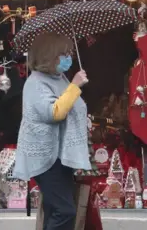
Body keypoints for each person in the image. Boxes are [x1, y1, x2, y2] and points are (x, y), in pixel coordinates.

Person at [13, 32, 91, 230]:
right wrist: (74, 86)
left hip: (60, 156)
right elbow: (54, 113)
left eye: (69, 53)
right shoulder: (36, 83)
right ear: (49, 55)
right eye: (63, 54)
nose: (68, 58)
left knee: (53, 209)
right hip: (45, 157)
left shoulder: (60, 78)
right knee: (65, 211)